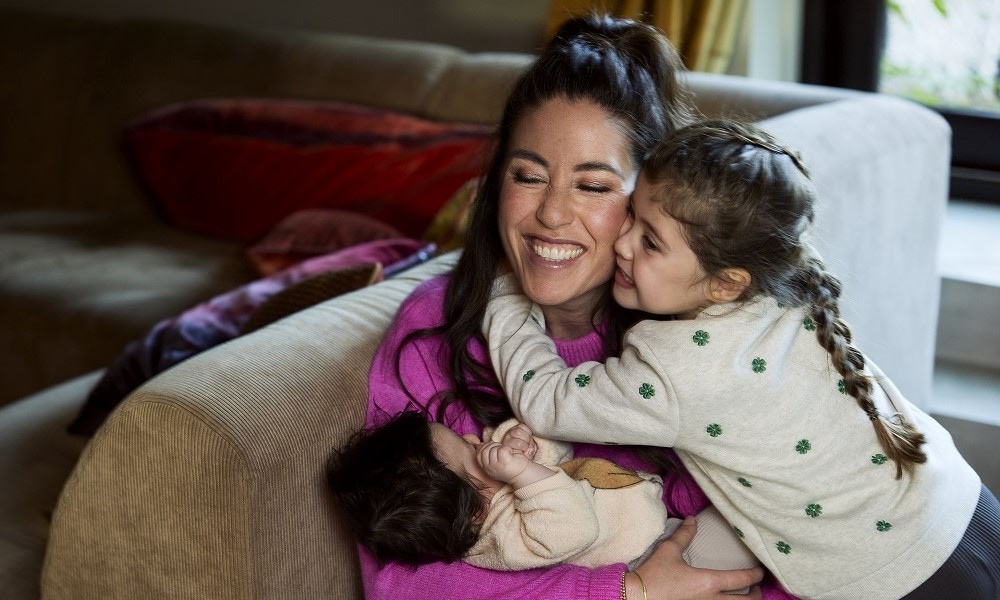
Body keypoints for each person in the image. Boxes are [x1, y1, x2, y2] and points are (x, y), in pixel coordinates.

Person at [363, 12, 787, 600]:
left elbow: (785, 525)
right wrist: (625, 591)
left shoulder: (706, 338)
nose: (552, 214)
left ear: (650, 204)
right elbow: (398, 581)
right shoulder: (433, 329)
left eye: (593, 185)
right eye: (528, 176)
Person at [482, 119, 1000, 599]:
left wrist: (506, 292)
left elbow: (544, 400)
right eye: (632, 215)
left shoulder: (675, 370)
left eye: (651, 242)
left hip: (902, 575)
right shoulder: (783, 279)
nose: (622, 243)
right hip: (962, 503)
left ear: (725, 283)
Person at [328, 411, 759, 582]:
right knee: (753, 514)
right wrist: (521, 471)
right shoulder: (503, 541)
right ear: (475, 509)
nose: (474, 438)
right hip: (655, 561)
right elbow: (573, 526)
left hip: (663, 537)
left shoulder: (497, 493)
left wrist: (524, 445)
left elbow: (558, 460)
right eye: (468, 450)